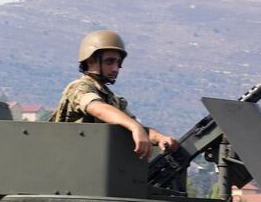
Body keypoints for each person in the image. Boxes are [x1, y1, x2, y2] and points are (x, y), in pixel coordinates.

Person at [49, 29, 178, 158]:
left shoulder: (112, 100)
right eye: (109, 62)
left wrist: (160, 138)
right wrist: (134, 127)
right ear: (90, 61)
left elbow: (139, 128)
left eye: (118, 62)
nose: (115, 68)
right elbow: (97, 108)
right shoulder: (79, 88)